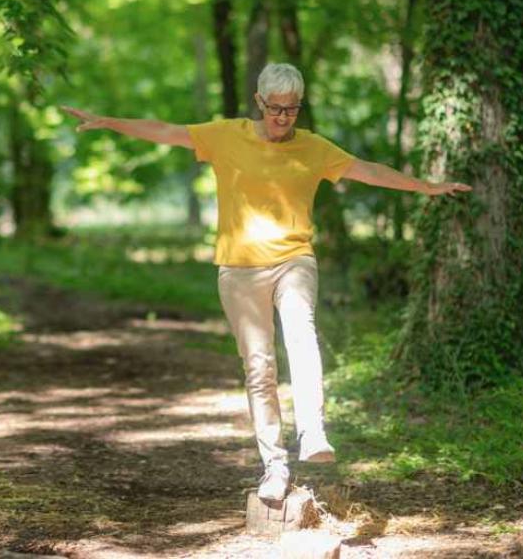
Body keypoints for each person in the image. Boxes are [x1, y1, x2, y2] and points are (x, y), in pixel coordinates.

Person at [61, 63, 471, 502]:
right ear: (259, 102)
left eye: (292, 110)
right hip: (238, 271)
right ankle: (274, 466)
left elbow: (367, 170)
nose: (282, 118)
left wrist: (426, 188)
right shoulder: (226, 135)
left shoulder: (313, 148)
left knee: (301, 334)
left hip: (293, 260)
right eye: (275, 109)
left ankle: (313, 433)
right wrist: (107, 123)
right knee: (259, 368)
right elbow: (165, 130)